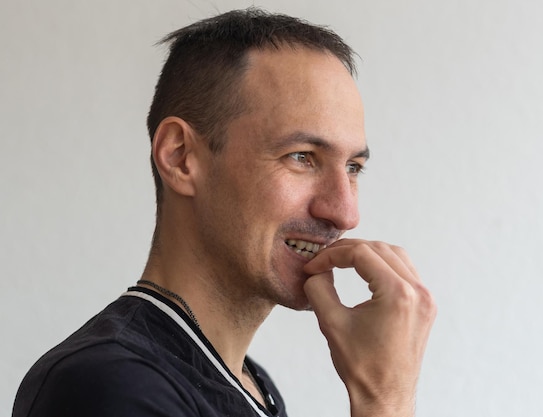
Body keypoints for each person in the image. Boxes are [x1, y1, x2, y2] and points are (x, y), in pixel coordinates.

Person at [13, 8, 436, 417]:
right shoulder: (107, 386)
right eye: (302, 157)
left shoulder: (252, 385)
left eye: (353, 168)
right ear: (180, 158)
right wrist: (384, 400)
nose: (344, 212)